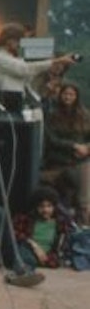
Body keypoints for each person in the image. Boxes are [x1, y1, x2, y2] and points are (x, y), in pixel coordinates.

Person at [0, 22, 78, 108]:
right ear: (9, 40)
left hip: (23, 102)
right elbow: (24, 69)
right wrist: (57, 61)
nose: (20, 44)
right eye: (19, 40)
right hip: (9, 103)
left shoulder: (17, 58)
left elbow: (29, 75)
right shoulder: (0, 58)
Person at [43, 83, 90, 222]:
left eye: (71, 94)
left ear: (76, 97)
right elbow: (52, 140)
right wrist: (74, 146)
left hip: (81, 159)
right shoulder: (52, 115)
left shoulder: (85, 115)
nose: (68, 97)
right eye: (65, 94)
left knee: (84, 174)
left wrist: (86, 148)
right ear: (60, 95)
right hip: (59, 159)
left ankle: (84, 219)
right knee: (76, 177)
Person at [11, 186, 74, 269]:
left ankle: (25, 269)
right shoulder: (26, 219)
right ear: (36, 207)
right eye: (41, 206)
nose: (45, 210)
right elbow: (13, 233)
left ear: (54, 207)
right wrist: (33, 244)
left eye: (49, 206)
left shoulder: (60, 223)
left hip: (44, 258)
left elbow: (61, 249)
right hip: (25, 251)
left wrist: (47, 258)